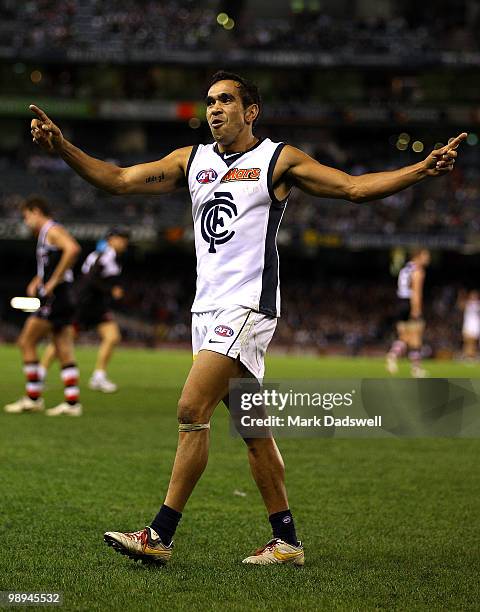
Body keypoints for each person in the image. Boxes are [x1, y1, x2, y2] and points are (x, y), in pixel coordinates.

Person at [29, 70, 465, 565]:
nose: (213, 109)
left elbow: (353, 188)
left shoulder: (277, 159)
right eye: (209, 102)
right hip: (206, 307)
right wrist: (63, 146)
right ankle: (287, 542)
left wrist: (421, 169)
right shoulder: (189, 161)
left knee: (192, 410)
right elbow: (120, 179)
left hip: (247, 306)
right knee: (254, 430)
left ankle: (159, 535)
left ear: (250, 111)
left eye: (225, 101)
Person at [4, 196, 83, 416]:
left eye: (26, 216)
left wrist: (53, 281)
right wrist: (38, 279)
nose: (25, 221)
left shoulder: (51, 230)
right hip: (63, 295)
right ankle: (72, 403)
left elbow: (72, 249)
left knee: (26, 340)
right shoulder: (46, 233)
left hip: (57, 296)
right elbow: (53, 261)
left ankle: (33, 397)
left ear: (36, 211)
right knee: (63, 347)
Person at [40, 228, 130, 393]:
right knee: (62, 340)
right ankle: (40, 375)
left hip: (97, 306)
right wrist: (110, 290)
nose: (124, 243)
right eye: (121, 239)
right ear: (110, 239)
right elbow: (90, 279)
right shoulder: (105, 256)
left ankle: (99, 376)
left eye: (125, 240)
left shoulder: (110, 257)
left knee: (112, 337)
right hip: (84, 305)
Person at [386, 248, 431, 377]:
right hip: (409, 304)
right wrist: (416, 310)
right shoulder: (418, 271)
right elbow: (416, 292)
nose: (428, 258)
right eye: (425, 255)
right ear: (418, 256)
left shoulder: (405, 269)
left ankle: (393, 356)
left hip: (400, 303)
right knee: (416, 337)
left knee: (404, 337)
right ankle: (415, 368)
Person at [458, 289, 480, 360]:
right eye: (472, 295)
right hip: (468, 325)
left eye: (475, 295)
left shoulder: (478, 304)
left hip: (476, 325)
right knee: (467, 342)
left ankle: (472, 356)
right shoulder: (467, 303)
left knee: (474, 342)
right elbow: (460, 306)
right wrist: (461, 296)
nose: (474, 296)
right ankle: (467, 356)